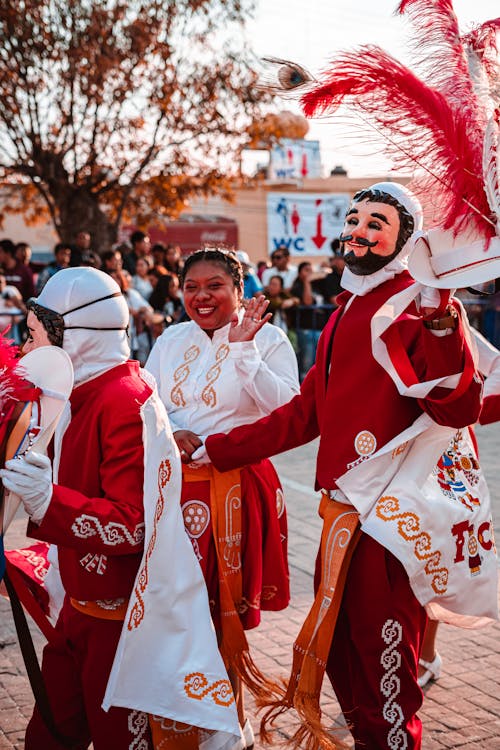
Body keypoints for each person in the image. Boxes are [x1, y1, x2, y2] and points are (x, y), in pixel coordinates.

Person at [190, 183, 490, 749]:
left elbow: (458, 405)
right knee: (342, 657)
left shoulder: (414, 303)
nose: (358, 230)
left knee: (383, 665)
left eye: (376, 222)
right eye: (353, 218)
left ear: (407, 236)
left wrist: (441, 320)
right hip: (340, 519)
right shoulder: (350, 305)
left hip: (386, 520)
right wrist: (218, 448)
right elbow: (306, 413)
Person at [0, 267, 241, 750]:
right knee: (48, 735)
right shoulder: (80, 392)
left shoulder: (122, 400)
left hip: (120, 625)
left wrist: (50, 501)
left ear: (75, 334)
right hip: (80, 605)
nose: (26, 349)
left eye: (34, 335)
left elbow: (134, 525)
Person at [145, 247, 300, 748]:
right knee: (179, 606)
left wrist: (242, 350)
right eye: (191, 286)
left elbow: (287, 410)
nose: (201, 296)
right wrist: (176, 429)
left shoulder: (269, 337)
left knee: (222, 606)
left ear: (238, 289)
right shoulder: (169, 340)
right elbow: (146, 404)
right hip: (176, 490)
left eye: (214, 286)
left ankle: (227, 718)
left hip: (236, 487)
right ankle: (193, 707)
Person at [418, 327, 500, 688]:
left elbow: (496, 364)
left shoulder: (447, 318)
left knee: (434, 552)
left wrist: (473, 411)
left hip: (445, 455)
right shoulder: (373, 311)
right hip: (389, 455)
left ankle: (425, 655)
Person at [289, 261, 328, 381]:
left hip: (320, 329)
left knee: (321, 365)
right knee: (306, 365)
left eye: (311, 270)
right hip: (306, 330)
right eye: (306, 270)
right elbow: (308, 301)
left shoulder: (318, 285)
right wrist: (306, 282)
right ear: (300, 273)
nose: (310, 272)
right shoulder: (298, 287)